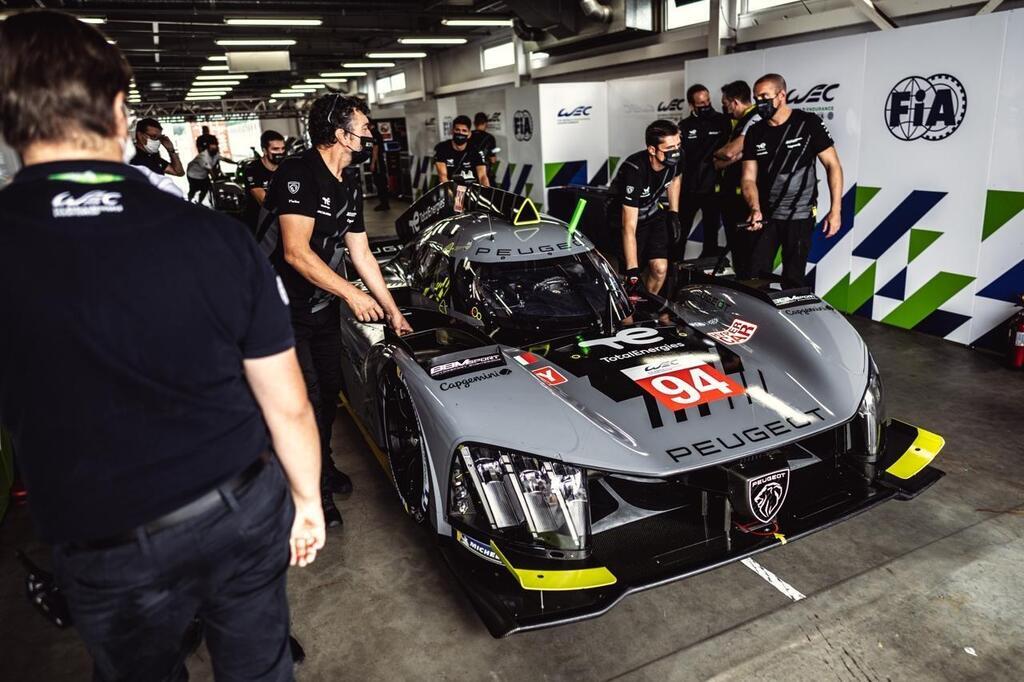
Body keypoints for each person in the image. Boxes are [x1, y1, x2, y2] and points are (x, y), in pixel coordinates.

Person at [0, 11, 325, 680]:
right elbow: (288, 405)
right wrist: (308, 500)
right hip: (239, 510)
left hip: (102, 538)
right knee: (260, 667)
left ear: (8, 124)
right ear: (121, 112)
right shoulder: (216, 238)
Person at [259, 93, 414, 528]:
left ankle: (321, 464)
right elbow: (294, 252)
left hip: (320, 306)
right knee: (303, 400)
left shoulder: (348, 183)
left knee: (329, 392)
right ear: (339, 133)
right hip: (279, 309)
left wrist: (392, 310)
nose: (370, 134)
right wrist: (353, 295)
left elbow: (362, 254)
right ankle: (311, 493)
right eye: (363, 128)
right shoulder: (297, 173)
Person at [741, 73, 844, 287]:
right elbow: (748, 177)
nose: (759, 103)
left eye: (764, 97)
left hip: (800, 215)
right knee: (754, 277)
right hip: (766, 216)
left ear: (781, 95)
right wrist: (755, 208)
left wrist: (836, 210)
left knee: (793, 279)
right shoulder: (754, 131)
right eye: (756, 98)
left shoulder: (808, 123)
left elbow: (832, 165)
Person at [609, 119, 682, 297]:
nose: (676, 152)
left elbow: (675, 178)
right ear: (652, 149)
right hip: (625, 220)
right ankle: (630, 315)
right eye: (669, 149)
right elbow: (629, 226)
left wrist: (673, 212)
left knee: (660, 269)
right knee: (629, 280)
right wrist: (633, 270)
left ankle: (648, 306)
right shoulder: (634, 170)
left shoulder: (678, 155)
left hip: (653, 214)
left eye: (678, 145)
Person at [676, 83, 730, 261]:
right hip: (688, 189)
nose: (706, 105)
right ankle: (674, 271)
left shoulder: (723, 121)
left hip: (713, 189)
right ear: (692, 105)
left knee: (711, 236)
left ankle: (707, 273)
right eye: (701, 103)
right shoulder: (683, 126)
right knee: (679, 235)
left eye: (707, 101)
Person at [713, 80, 762, 278]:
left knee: (748, 250)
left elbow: (730, 152)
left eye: (725, 104)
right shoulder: (739, 122)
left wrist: (715, 153)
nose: (726, 109)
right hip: (732, 194)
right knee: (738, 249)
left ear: (734, 102)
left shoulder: (755, 117)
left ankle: (749, 290)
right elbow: (726, 159)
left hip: (746, 196)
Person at [242, 129, 286, 233]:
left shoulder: (286, 167)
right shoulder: (252, 169)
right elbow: (263, 201)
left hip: (280, 223)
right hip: (256, 223)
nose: (280, 152)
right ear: (265, 150)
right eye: (275, 149)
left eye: (282, 149)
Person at [433, 115, 489, 186]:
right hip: (448, 190)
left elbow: (482, 177)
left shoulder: (476, 150)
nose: (460, 133)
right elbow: (443, 176)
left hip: (469, 190)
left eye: (464, 131)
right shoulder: (442, 148)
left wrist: (486, 192)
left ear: (469, 134)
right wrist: (454, 196)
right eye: (457, 130)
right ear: (452, 131)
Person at [185, 135, 236, 204]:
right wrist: (216, 179)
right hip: (193, 174)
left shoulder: (215, 154)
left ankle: (199, 203)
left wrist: (236, 163)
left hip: (203, 175)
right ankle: (188, 203)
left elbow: (224, 159)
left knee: (205, 188)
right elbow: (210, 171)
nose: (214, 150)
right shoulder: (203, 156)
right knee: (193, 190)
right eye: (212, 148)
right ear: (208, 148)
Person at [470, 111, 497, 187]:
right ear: (486, 123)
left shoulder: (469, 136)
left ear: (474, 123)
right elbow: (493, 159)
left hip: (470, 175)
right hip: (485, 174)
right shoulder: (490, 138)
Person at [369, 120, 390, 211]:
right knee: (379, 183)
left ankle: (384, 203)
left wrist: (373, 163)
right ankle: (383, 202)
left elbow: (375, 149)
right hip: (379, 161)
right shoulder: (375, 133)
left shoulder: (374, 134)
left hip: (378, 162)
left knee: (380, 182)